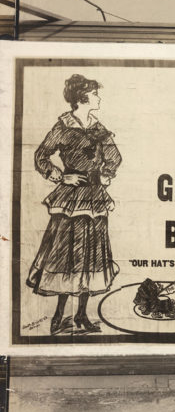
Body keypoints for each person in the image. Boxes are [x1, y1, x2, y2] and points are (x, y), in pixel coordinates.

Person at [26, 74, 121, 334]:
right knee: (66, 256)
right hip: (71, 198)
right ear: (82, 98)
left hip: (95, 197)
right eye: (94, 94)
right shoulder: (63, 127)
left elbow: (114, 156)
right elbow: (42, 156)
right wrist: (60, 175)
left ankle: (81, 315)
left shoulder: (99, 128)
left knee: (92, 256)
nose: (98, 98)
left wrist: (106, 174)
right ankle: (58, 315)